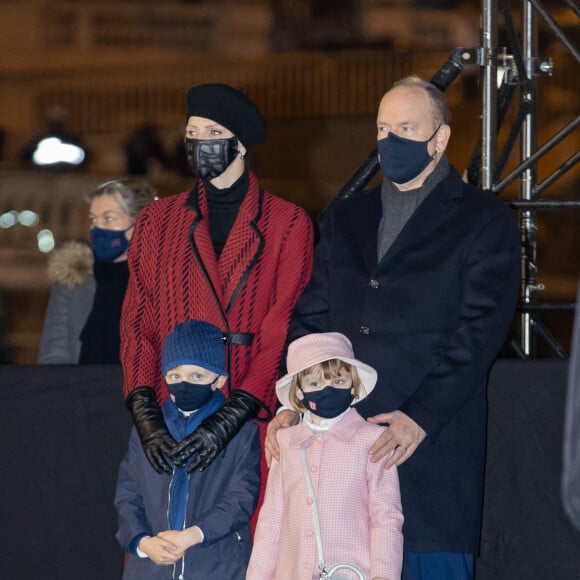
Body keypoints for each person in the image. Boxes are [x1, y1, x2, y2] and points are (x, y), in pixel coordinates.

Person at [266, 75, 521, 579]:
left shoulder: (484, 219)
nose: (389, 141)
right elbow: (311, 319)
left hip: (430, 459)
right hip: (338, 471)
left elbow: (480, 334)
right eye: (383, 128)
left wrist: (419, 416)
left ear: (440, 138)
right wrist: (290, 400)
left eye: (405, 127)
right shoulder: (345, 217)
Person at [120, 84, 314, 493]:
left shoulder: (288, 223)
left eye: (212, 134)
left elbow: (280, 329)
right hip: (171, 409)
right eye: (193, 134)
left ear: (239, 144)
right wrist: (145, 411)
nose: (199, 145)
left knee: (245, 534)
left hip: (249, 411)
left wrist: (232, 415)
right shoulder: (158, 221)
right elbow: (139, 322)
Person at [248, 332, 403, 580]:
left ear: (353, 385)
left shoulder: (373, 440)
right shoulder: (285, 442)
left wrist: (384, 575)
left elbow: (386, 516)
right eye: (315, 384)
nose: (327, 390)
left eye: (338, 382)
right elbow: (272, 518)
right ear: (299, 392)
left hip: (352, 572)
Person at [115, 319, 261, 580]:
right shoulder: (146, 432)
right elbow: (128, 494)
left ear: (219, 379)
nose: (184, 384)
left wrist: (193, 535)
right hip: (150, 568)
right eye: (175, 375)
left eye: (197, 376)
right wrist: (143, 542)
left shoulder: (241, 432)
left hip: (218, 566)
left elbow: (241, 497)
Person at [38, 178, 157, 364]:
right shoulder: (74, 276)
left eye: (108, 219)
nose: (97, 228)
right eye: (94, 219)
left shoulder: (168, 281)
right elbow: (54, 355)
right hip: (81, 391)